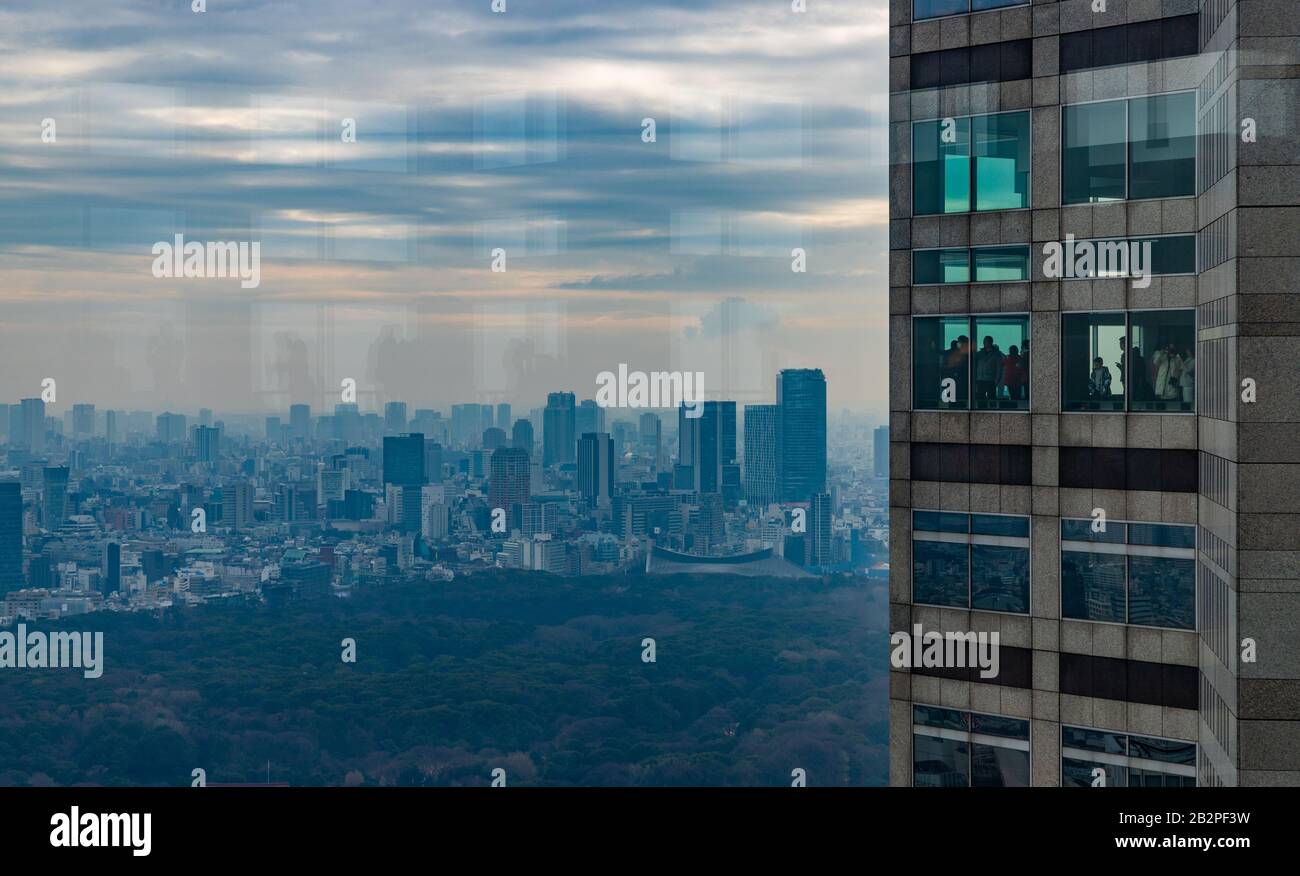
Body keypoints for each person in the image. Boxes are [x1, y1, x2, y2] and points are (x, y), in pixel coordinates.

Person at [973, 335, 1004, 405]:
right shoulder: (979, 353)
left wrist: (997, 380)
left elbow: (999, 368)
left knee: (991, 398)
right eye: (984, 341)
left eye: (986, 341)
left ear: (990, 342)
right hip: (980, 379)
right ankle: (981, 413)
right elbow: (975, 367)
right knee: (980, 398)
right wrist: (975, 378)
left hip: (990, 379)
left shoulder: (996, 354)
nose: (984, 343)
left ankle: (992, 413)